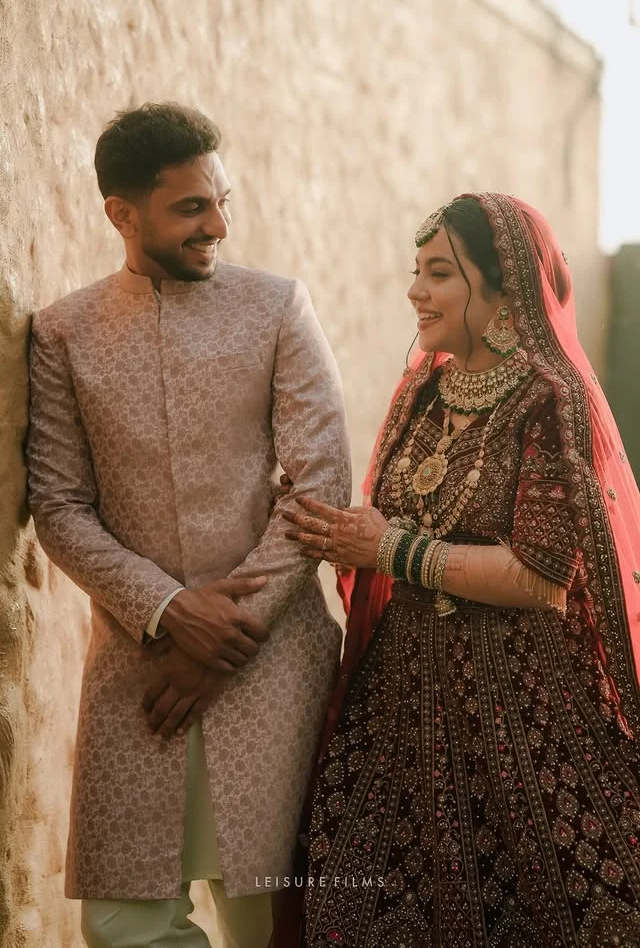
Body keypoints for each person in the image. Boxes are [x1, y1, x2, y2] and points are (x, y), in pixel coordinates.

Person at [26, 102, 351, 948]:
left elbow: (319, 485)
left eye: (223, 201)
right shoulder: (64, 334)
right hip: (141, 667)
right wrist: (172, 613)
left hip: (270, 661)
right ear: (121, 215)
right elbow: (58, 506)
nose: (218, 224)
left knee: (265, 917)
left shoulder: (277, 307)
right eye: (192, 208)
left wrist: (226, 637)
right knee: (121, 923)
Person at [284, 193, 640, 947]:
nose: (416, 290)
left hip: (524, 709)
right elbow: (391, 521)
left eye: (440, 273)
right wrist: (335, 529)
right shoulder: (422, 391)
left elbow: (542, 576)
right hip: (398, 708)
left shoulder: (552, 400)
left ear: (504, 286)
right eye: (416, 271)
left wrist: (387, 549)